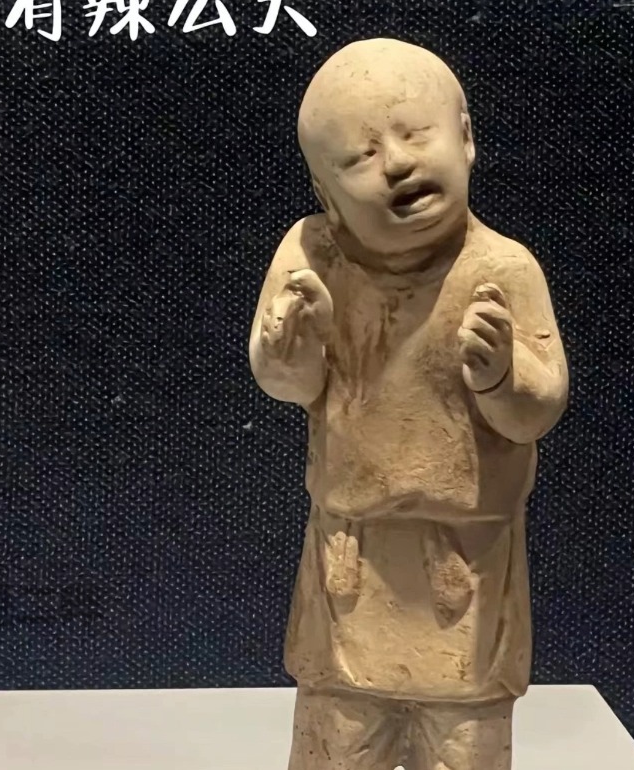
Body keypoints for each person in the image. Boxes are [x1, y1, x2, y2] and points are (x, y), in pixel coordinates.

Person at [248, 38, 568, 770]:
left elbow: (537, 412)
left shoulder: (502, 268)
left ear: (466, 137)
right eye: (360, 156)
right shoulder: (311, 255)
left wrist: (500, 377)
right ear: (326, 194)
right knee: (337, 733)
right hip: (350, 561)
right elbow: (287, 382)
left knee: (464, 737)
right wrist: (292, 349)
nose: (395, 163)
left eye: (414, 133)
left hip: (466, 569)